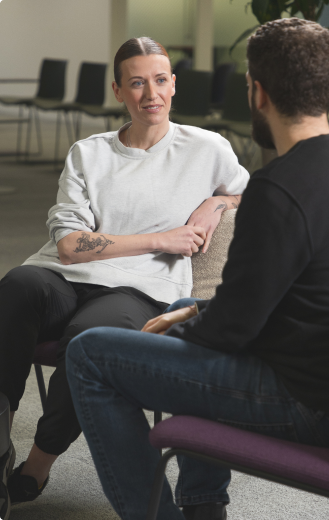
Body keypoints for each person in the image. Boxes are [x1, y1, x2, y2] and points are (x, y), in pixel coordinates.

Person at [66, 18, 329, 520]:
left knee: (89, 354)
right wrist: (188, 314)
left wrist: (188, 324)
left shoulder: (278, 188)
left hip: (305, 400)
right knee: (188, 307)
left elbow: (230, 329)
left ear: (258, 93)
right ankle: (204, 506)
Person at [0, 37, 249, 515]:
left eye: (159, 80)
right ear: (118, 90)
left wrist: (216, 201)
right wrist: (163, 238)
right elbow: (71, 246)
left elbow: (249, 192)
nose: (150, 94)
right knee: (15, 286)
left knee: (88, 338)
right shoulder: (88, 153)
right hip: (62, 275)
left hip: (141, 287)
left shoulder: (207, 147)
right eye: (136, 83)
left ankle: (36, 463)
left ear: (173, 85)